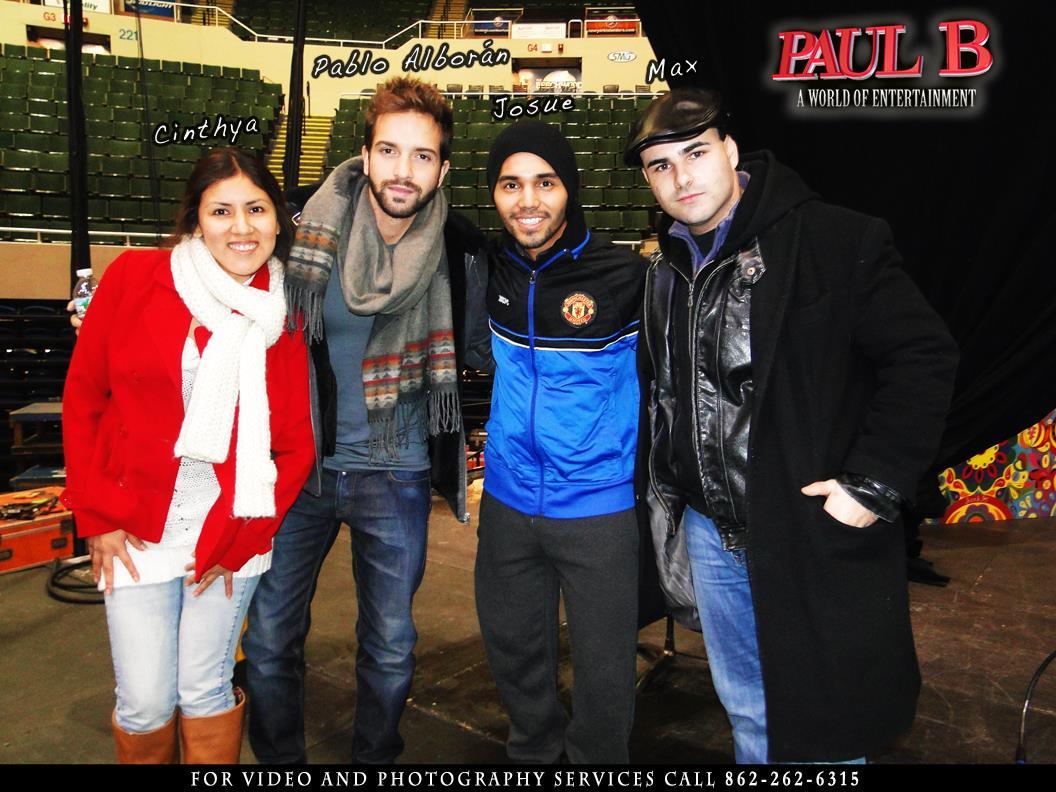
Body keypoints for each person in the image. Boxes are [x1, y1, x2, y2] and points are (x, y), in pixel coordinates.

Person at [625, 88, 959, 764]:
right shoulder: (665, 272)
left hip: (805, 533)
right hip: (710, 535)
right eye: (660, 166)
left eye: (694, 153)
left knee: (826, 730)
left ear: (731, 151)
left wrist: (872, 485)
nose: (681, 177)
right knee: (748, 708)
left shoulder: (835, 238)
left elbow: (924, 356)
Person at [242, 76, 487, 764]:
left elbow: (489, 343)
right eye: (390, 150)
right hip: (301, 469)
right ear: (364, 153)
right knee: (266, 641)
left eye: (421, 156)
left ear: (442, 169)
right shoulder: (297, 229)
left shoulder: (461, 250)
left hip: (397, 473)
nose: (402, 170)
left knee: (390, 648)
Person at [60, 147, 315, 764]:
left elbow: (295, 445)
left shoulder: (285, 312)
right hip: (135, 529)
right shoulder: (133, 278)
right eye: (221, 210)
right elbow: (85, 396)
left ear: (279, 220)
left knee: (204, 690)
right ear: (195, 219)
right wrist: (96, 516)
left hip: (229, 534)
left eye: (256, 209)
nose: (241, 227)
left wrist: (243, 537)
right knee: (144, 701)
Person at [469, 120, 646, 763]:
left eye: (545, 183)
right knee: (514, 649)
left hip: (598, 506)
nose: (528, 200)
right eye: (511, 185)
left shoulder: (626, 275)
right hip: (510, 501)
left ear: (568, 189)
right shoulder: (490, 268)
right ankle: (534, 753)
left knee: (604, 670)